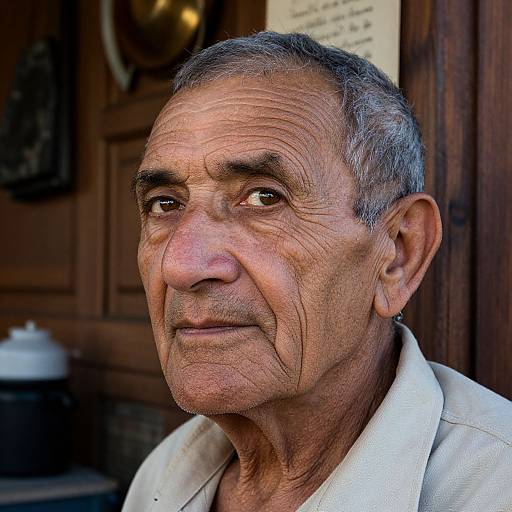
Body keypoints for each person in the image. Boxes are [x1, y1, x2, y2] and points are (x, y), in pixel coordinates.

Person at [123, 32, 512, 512]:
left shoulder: (493, 488)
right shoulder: (165, 474)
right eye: (165, 204)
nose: (181, 265)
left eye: (265, 197)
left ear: (398, 253)